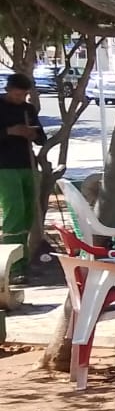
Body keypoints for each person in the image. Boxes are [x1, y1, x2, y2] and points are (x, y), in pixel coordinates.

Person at [0, 73, 42, 285]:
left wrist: (33, 134)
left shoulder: (28, 110)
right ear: (8, 89)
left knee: (27, 214)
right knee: (14, 213)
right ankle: (12, 265)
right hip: (4, 167)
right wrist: (11, 131)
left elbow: (41, 136)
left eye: (25, 94)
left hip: (27, 164)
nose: (21, 98)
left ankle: (23, 261)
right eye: (18, 94)